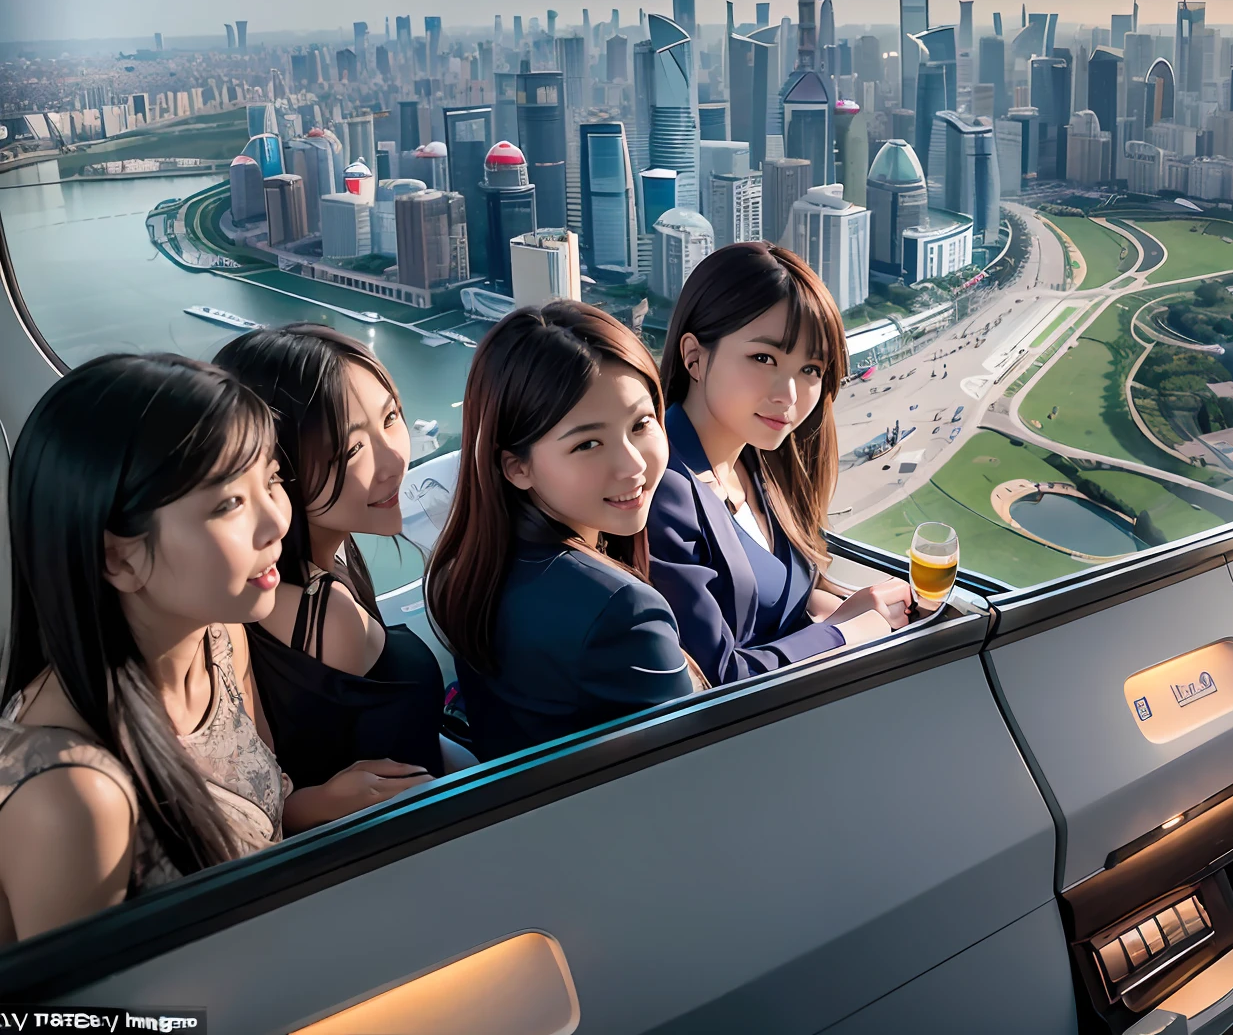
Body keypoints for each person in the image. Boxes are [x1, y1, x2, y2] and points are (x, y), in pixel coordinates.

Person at [0, 354, 292, 941]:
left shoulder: (219, 640)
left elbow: (260, 816)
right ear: (118, 556)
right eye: (229, 503)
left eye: (273, 480)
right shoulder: (73, 795)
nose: (276, 522)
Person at [425, 302, 698, 760]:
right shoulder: (620, 611)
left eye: (641, 423)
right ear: (516, 466)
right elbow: (705, 769)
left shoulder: (471, 569)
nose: (632, 464)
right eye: (588, 443)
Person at [214, 326, 465, 810]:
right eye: (352, 449)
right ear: (274, 467)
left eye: (390, 418)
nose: (394, 459)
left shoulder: (282, 580)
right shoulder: (324, 614)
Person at [649, 242, 910, 686]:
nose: (789, 395)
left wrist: (866, 608)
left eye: (810, 369)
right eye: (764, 358)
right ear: (694, 356)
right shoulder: (663, 490)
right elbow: (715, 678)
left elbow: (788, 603)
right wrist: (844, 630)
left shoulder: (757, 457)